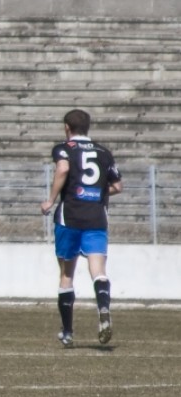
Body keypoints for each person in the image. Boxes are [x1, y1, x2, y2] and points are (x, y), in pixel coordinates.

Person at [41, 109, 122, 347]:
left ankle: (67, 332)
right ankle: (104, 308)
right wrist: (96, 192)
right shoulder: (104, 152)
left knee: (67, 274)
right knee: (99, 271)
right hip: (97, 217)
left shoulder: (64, 148)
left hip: (71, 217)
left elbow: (63, 169)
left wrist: (50, 200)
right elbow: (117, 186)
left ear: (67, 127)